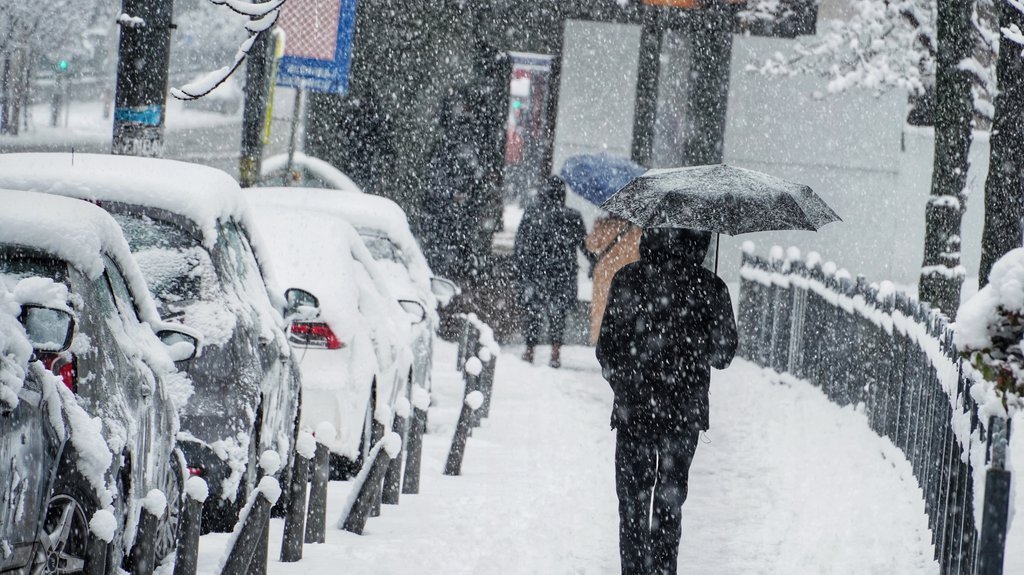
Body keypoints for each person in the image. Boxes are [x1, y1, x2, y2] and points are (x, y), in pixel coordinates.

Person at [596, 227, 737, 575]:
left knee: (632, 503)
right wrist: (701, 333)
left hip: (634, 409)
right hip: (684, 413)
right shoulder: (710, 287)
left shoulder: (628, 279)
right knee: (669, 505)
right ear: (701, 240)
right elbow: (723, 356)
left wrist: (625, 385)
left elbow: (606, 349)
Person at [513, 175, 587, 368]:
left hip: (537, 271)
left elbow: (520, 243)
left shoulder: (532, 213)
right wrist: (595, 261)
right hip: (563, 272)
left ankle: (530, 350)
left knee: (534, 312)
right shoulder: (572, 216)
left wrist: (520, 268)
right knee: (558, 314)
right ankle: (555, 353)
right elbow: (584, 245)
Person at [585, 215, 641, 345]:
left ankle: (602, 339)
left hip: (605, 273)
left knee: (602, 308)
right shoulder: (636, 226)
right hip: (627, 273)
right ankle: (625, 339)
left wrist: (598, 226)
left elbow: (590, 245)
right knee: (627, 308)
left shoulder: (603, 224)